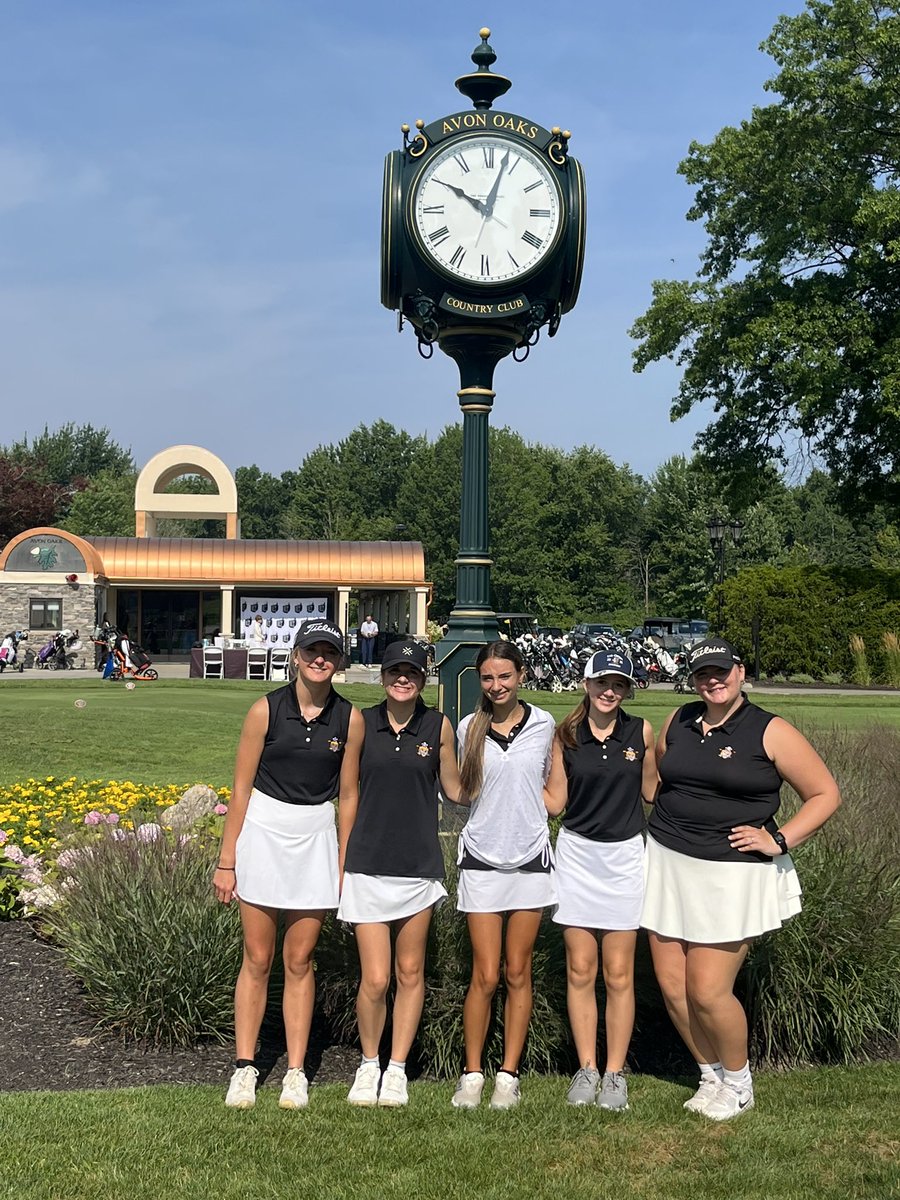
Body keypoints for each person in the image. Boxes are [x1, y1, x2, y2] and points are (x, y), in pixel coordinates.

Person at [642, 638, 841, 1121]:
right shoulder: (681, 718)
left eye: (721, 671)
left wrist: (779, 839)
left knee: (708, 988)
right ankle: (710, 1074)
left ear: (739, 671)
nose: (713, 680)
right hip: (668, 861)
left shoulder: (769, 730)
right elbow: (656, 778)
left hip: (730, 875)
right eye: (702, 674)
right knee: (673, 984)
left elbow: (824, 794)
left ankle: (739, 1081)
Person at [213, 618, 364, 1110]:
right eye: (312, 651)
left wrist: (343, 862)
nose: (320, 660)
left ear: (338, 661)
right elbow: (239, 789)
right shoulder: (265, 710)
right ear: (296, 656)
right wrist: (226, 859)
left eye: (329, 653)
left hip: (315, 838)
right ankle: (244, 1067)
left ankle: (295, 1072)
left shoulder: (350, 719)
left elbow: (348, 796)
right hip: (263, 832)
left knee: (299, 960)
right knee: (257, 958)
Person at [338, 639, 461, 1108]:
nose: (402, 678)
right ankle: (369, 1063)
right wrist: (343, 860)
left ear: (423, 677)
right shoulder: (360, 722)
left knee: (410, 971)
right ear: (383, 675)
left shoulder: (438, 725)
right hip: (368, 863)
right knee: (375, 979)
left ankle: (397, 1068)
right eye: (395, 671)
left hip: (417, 864)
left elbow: (454, 789)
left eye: (411, 671)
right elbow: (347, 793)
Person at [544, 650, 657, 1111]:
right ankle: (587, 1067)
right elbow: (556, 802)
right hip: (577, 856)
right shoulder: (565, 735)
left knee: (618, 973)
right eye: (601, 682)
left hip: (626, 857)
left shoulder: (640, 731)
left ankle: (615, 1074)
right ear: (586, 685)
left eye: (619, 684)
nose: (609, 691)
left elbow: (653, 791)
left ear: (627, 689)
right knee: (580, 969)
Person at [452, 641, 556, 1111]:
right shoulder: (468, 728)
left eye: (505, 677)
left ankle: (507, 1076)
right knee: (485, 974)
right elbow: (461, 790)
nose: (496, 686)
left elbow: (554, 789)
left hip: (530, 860)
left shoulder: (544, 724)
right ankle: (472, 1074)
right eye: (488, 678)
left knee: (519, 970)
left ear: (521, 675)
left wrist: (548, 812)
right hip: (482, 860)